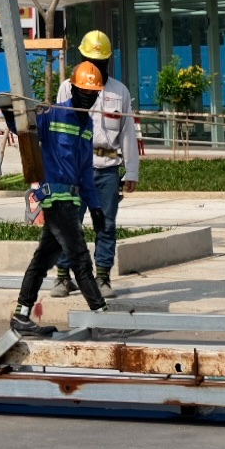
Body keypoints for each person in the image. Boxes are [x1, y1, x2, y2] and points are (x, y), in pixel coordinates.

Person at [6, 60, 109, 338]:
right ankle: (102, 314)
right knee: (79, 258)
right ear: (73, 90)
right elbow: (22, 129)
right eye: (84, 93)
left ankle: (21, 315)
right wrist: (9, 112)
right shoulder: (53, 115)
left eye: (93, 94)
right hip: (55, 201)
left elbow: (86, 171)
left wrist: (96, 208)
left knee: (43, 259)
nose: (89, 98)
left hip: (72, 203)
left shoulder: (87, 125)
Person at [49, 30, 139, 299]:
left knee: (106, 225)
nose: (96, 66)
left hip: (106, 171)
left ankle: (102, 278)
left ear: (108, 61)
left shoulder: (119, 91)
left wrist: (131, 170)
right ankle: (64, 278)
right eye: (90, 60)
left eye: (101, 61)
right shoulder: (68, 87)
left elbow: (127, 133)